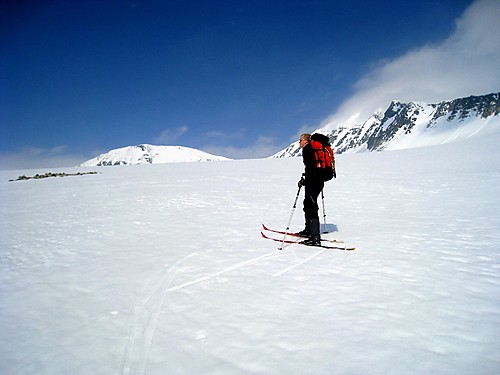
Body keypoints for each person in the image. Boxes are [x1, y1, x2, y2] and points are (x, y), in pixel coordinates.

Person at [297, 133, 324, 246]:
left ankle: (315, 236)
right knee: (308, 204)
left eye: (300, 140)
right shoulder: (311, 150)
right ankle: (308, 230)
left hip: (313, 182)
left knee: (311, 206)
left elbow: (311, 168)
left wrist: (306, 179)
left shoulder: (308, 150)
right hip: (316, 181)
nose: (299, 142)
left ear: (306, 141)